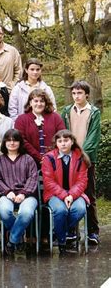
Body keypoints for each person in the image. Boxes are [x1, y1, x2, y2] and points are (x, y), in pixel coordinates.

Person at [61, 81, 101, 245]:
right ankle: (72, 231)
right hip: (69, 159)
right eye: (74, 93)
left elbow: (93, 137)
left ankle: (93, 232)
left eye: (80, 93)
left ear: (86, 94)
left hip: (86, 159)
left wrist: (81, 155)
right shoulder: (66, 111)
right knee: (70, 194)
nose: (77, 96)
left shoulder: (94, 112)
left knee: (89, 195)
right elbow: (63, 133)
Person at [42, 130, 89, 254]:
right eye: (60, 141)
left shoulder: (80, 157)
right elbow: (48, 182)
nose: (63, 144)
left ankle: (59, 232)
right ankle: (62, 241)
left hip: (75, 194)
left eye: (66, 140)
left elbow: (82, 181)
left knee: (79, 209)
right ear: (56, 143)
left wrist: (71, 196)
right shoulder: (49, 158)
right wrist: (64, 196)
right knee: (60, 210)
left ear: (72, 141)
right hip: (54, 194)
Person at [0, 129, 38, 255]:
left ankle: (12, 241)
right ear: (4, 143)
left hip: (28, 195)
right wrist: (7, 192)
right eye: (9, 140)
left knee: (26, 213)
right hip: (7, 195)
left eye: (15, 140)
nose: (12, 143)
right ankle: (19, 234)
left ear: (20, 143)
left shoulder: (28, 159)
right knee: (4, 212)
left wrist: (23, 193)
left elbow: (33, 178)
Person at [14, 89, 65, 165]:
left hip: (54, 160)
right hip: (28, 161)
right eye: (36, 101)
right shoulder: (21, 119)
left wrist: (50, 156)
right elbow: (22, 140)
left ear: (46, 103)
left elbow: (62, 136)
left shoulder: (55, 117)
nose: (39, 104)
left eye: (42, 101)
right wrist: (39, 157)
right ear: (30, 103)